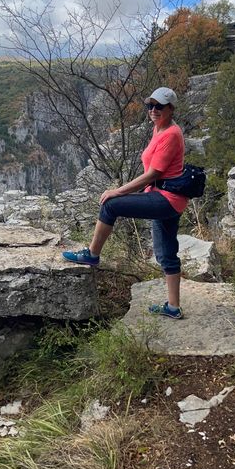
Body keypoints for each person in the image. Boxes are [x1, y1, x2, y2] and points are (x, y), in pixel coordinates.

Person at [61, 86, 188, 319]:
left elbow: (152, 174)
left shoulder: (170, 134)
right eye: (150, 105)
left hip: (165, 199)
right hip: (170, 199)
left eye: (158, 106)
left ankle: (92, 254)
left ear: (171, 108)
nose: (153, 110)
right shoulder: (159, 129)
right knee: (166, 254)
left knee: (111, 205)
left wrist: (117, 191)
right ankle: (173, 307)